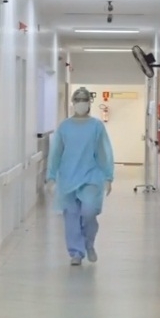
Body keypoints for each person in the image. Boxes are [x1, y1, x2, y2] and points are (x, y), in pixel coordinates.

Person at [46, 87, 115, 266]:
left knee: (89, 212)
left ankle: (88, 244)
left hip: (91, 176)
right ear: (73, 103)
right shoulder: (65, 127)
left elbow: (104, 151)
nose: (81, 103)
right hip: (68, 177)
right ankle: (76, 252)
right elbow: (56, 153)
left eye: (84, 100)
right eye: (78, 100)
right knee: (71, 217)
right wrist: (51, 176)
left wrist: (108, 176)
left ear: (89, 103)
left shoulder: (96, 126)